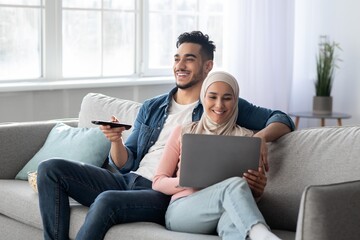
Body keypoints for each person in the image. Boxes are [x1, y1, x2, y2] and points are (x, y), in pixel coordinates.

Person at [37, 31, 293, 240]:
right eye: (177, 58)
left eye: (189, 59)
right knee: (50, 169)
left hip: (163, 195)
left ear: (208, 66)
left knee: (107, 201)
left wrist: (260, 138)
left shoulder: (218, 102)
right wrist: (116, 141)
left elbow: (282, 119)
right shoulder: (152, 106)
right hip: (129, 181)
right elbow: (128, 162)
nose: (180, 66)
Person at [152, 71, 280, 240]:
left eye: (227, 98)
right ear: (203, 98)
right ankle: (263, 235)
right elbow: (158, 182)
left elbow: (247, 194)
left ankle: (257, 234)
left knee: (233, 226)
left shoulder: (248, 138)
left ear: (235, 101)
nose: (219, 105)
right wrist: (189, 180)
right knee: (232, 185)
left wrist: (258, 190)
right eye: (212, 97)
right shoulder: (183, 131)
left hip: (223, 212)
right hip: (183, 211)